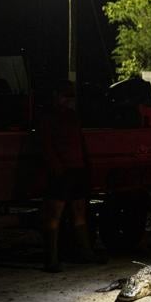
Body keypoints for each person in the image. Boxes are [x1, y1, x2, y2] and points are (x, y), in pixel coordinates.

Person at [39, 80, 101, 272]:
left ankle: (86, 252)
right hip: (61, 172)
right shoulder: (48, 118)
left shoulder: (72, 117)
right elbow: (46, 145)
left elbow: (80, 142)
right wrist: (57, 168)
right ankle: (51, 259)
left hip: (77, 170)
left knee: (79, 212)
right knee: (54, 215)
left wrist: (87, 165)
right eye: (65, 95)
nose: (69, 99)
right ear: (56, 96)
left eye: (71, 95)